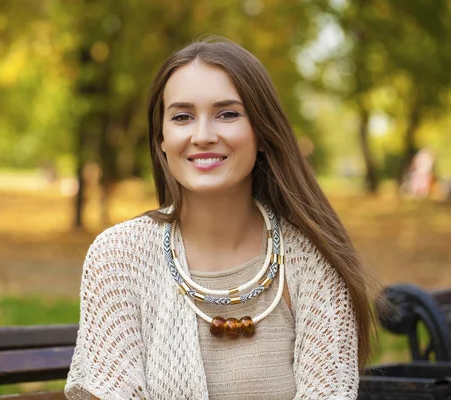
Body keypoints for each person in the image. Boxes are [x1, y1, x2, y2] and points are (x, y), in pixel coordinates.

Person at [65, 37, 377, 399]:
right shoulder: (119, 258)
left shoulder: (312, 258)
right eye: (182, 117)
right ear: (162, 139)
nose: (203, 136)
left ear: (262, 132)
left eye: (227, 114)